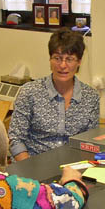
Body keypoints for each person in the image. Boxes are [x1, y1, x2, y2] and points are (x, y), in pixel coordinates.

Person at [9, 27, 99, 161]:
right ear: (50, 60)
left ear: (79, 62)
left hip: (73, 167)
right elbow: (16, 139)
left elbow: (90, 143)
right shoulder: (29, 92)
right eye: (57, 58)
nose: (62, 65)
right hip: (33, 164)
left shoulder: (91, 97)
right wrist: (30, 168)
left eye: (69, 59)